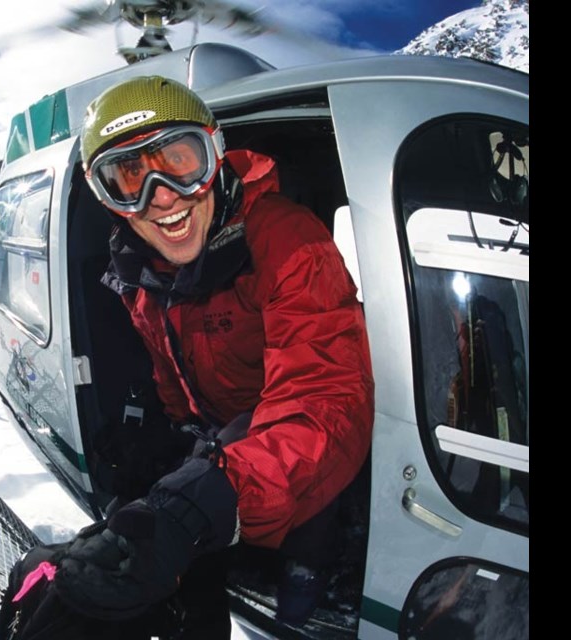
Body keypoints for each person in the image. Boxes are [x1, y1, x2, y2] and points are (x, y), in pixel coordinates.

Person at [50, 76, 375, 636]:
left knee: (305, 554)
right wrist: (176, 438)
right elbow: (168, 363)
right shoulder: (139, 269)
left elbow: (327, 399)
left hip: (297, 450)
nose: (163, 197)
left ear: (216, 154)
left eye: (179, 161)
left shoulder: (287, 241)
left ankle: (300, 593)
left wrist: (217, 491)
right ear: (107, 199)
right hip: (225, 436)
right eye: (130, 178)